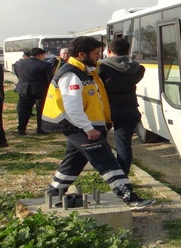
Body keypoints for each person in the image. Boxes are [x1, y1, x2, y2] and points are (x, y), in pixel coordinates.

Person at [42, 36, 153, 208]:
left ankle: (54, 191)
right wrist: (88, 128)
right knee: (107, 161)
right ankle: (129, 197)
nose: (98, 57)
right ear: (81, 54)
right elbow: (73, 107)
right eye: (95, 54)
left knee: (73, 161)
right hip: (79, 126)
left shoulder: (85, 71)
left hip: (82, 125)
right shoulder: (71, 74)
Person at [98, 38, 145, 175]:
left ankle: (108, 173)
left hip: (107, 109)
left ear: (109, 51)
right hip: (129, 108)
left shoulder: (102, 67)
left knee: (100, 143)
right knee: (124, 145)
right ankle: (123, 175)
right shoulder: (138, 68)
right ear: (128, 51)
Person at [14, 47, 53, 135]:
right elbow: (49, 79)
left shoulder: (19, 63)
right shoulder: (44, 65)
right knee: (41, 110)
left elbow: (18, 74)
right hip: (40, 90)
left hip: (24, 89)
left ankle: (21, 128)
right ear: (40, 55)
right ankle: (41, 128)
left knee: (23, 110)